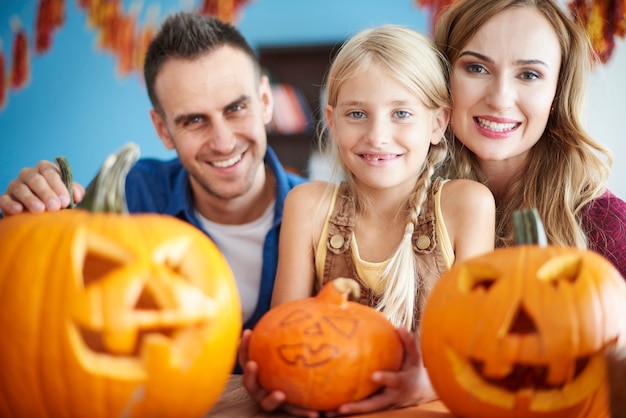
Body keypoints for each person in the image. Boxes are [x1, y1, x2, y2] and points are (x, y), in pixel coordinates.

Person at [239, 24, 496, 417]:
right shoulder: (307, 206)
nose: (377, 136)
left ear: (437, 123)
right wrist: (274, 378)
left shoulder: (466, 206)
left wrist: (426, 386)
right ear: (332, 120)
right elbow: (283, 338)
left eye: (401, 114)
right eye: (357, 113)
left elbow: (478, 354)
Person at [0, 12, 306, 336]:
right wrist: (22, 225)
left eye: (236, 108)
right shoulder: (128, 195)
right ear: (162, 129)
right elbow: (49, 297)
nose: (223, 142)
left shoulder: (328, 217)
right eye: (194, 120)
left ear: (265, 101)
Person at [433, 0, 626, 277]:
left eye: (529, 74)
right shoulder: (403, 202)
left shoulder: (609, 227)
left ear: (558, 94)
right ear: (443, 75)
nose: (500, 99)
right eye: (476, 68)